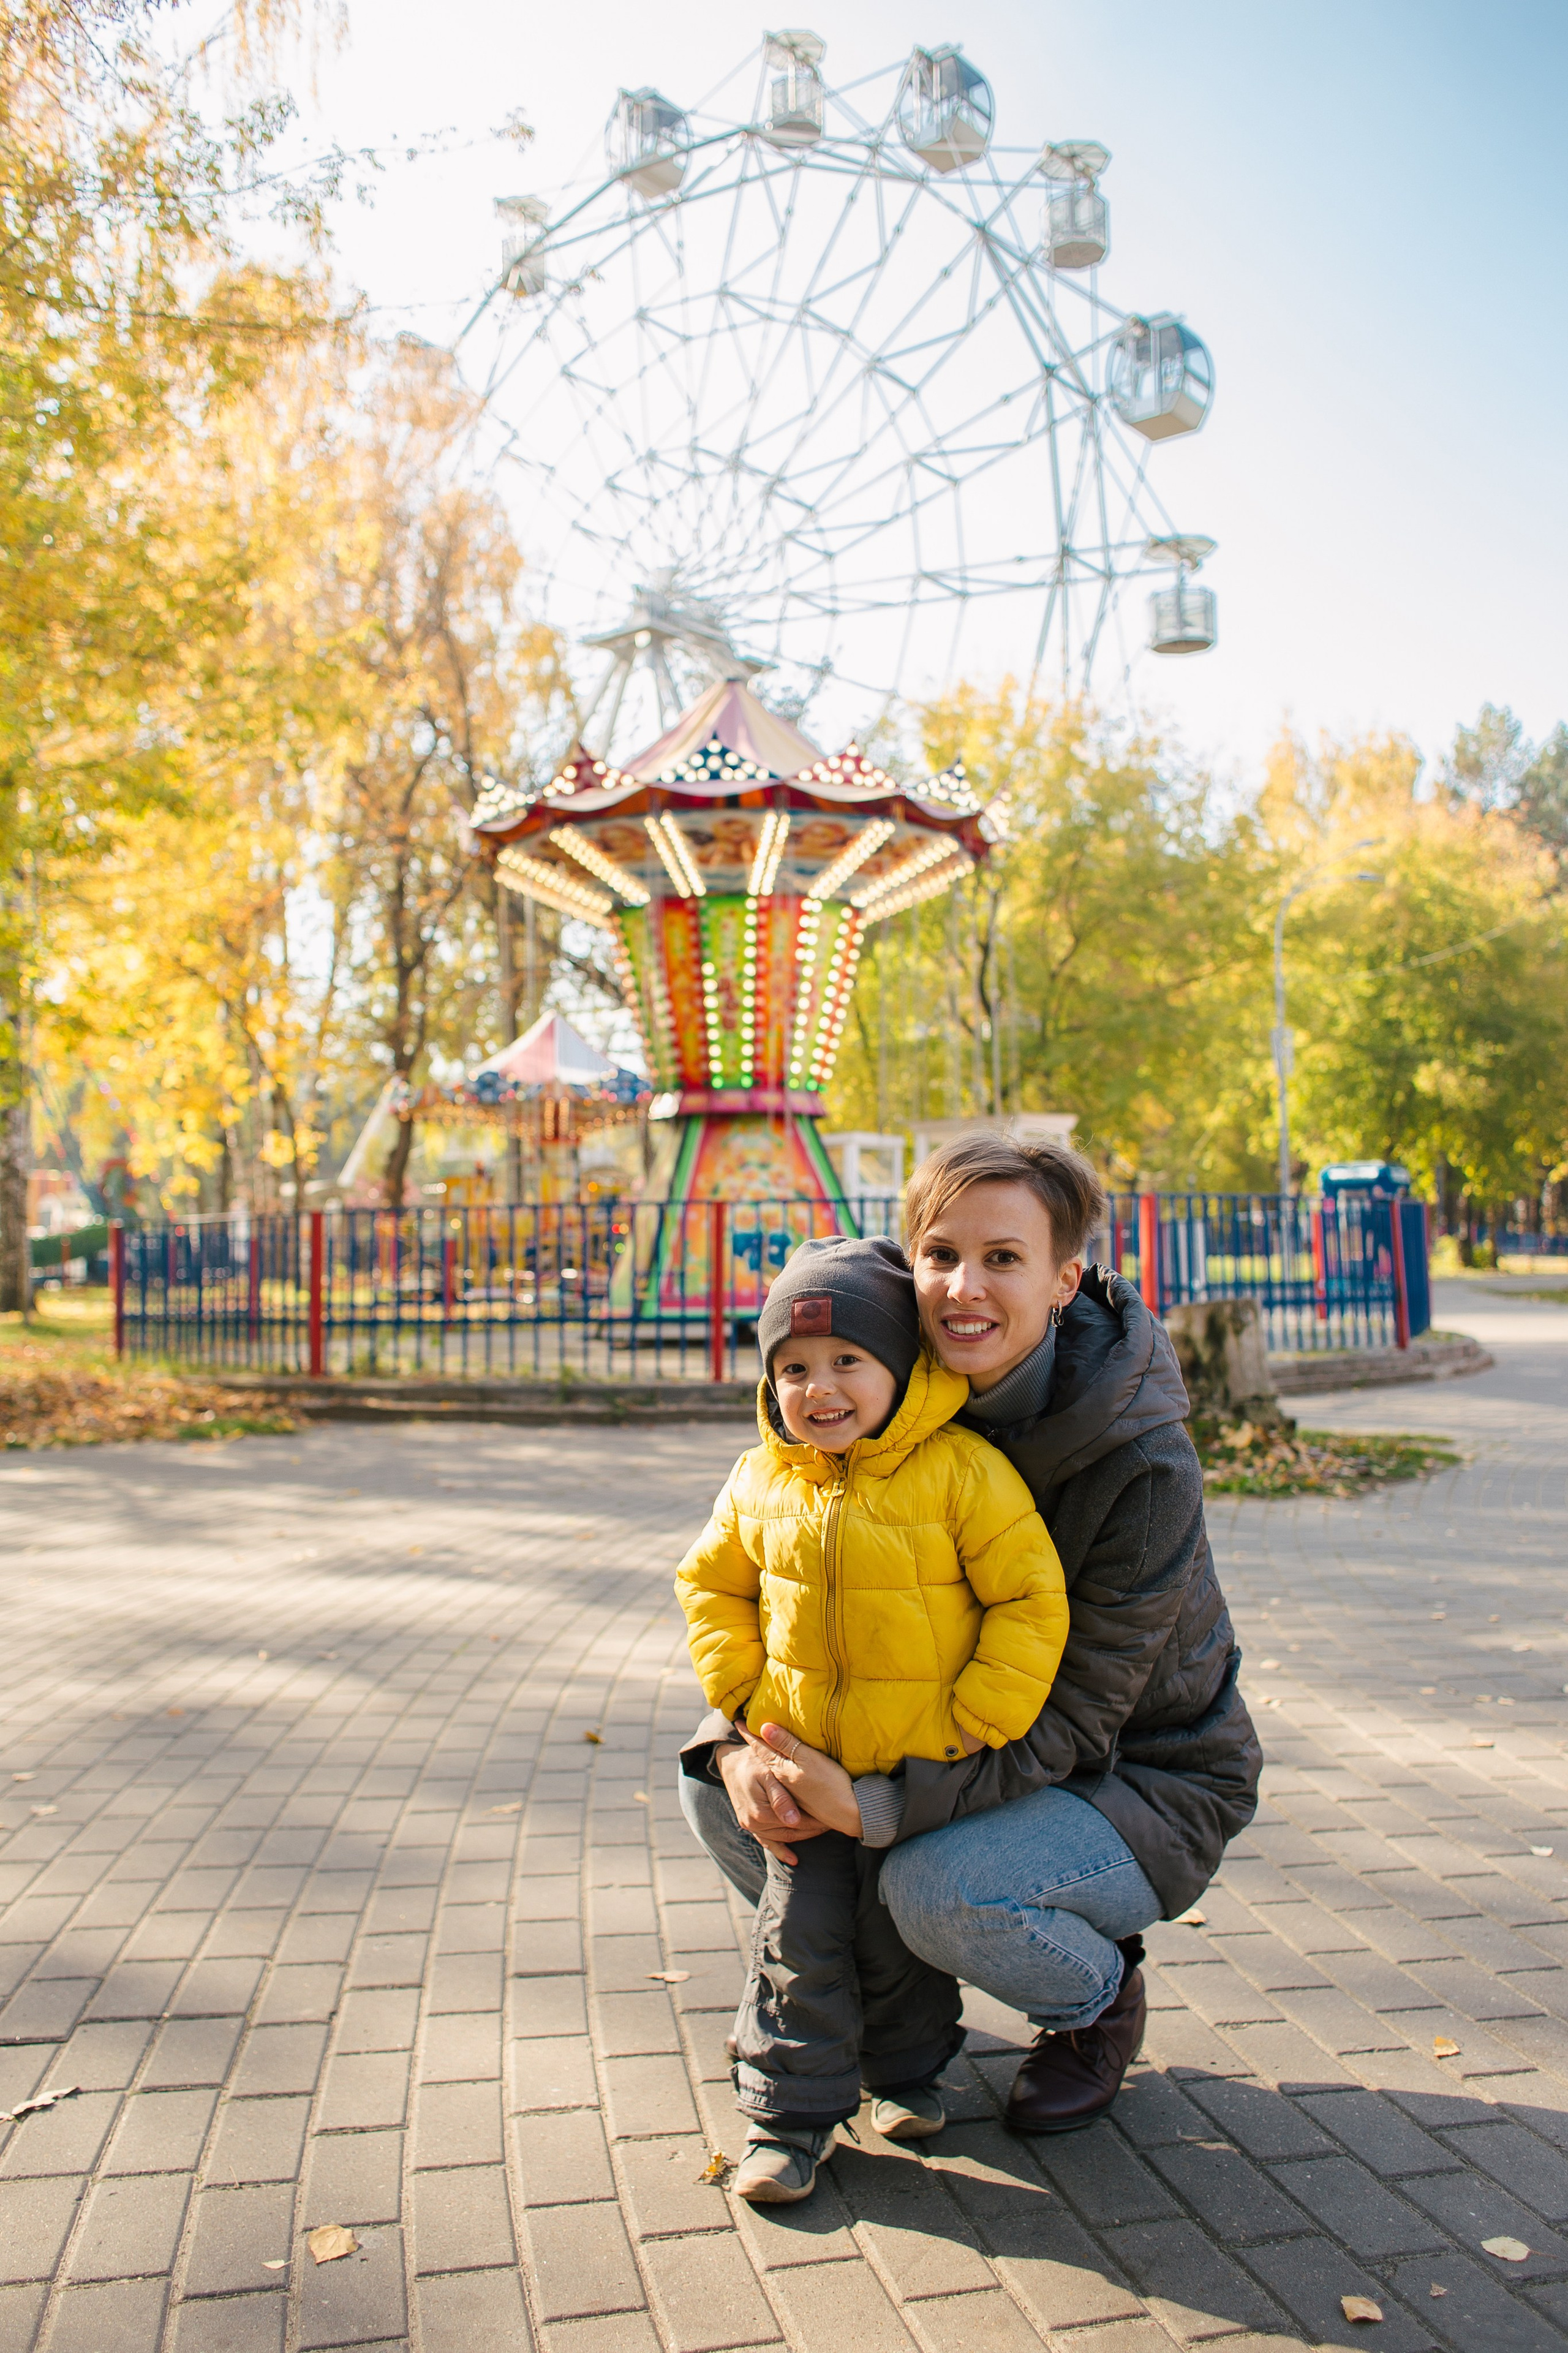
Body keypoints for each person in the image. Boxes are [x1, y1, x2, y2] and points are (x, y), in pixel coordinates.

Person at [680, 1135, 1261, 2137]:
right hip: (963, 1735)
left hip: (1136, 1770)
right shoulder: (879, 1400)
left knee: (936, 1886)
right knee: (726, 1797)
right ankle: (872, 2007)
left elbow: (1080, 1716)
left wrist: (878, 1803)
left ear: (1064, 1279)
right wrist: (743, 1744)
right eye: (941, 1254)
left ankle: (1094, 2000)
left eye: (1004, 1258)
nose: (964, 1286)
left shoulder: (1142, 1463)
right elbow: (793, 1603)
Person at [674, 1234, 1069, 2202]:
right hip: (798, 1772)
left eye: (849, 1360)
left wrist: (975, 1715)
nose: (822, 1387)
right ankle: (786, 2122)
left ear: (899, 1365)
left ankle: (906, 2072)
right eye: (795, 1367)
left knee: (899, 1940)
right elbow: (710, 1586)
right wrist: (746, 1703)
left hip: (911, 1772)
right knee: (798, 1943)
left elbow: (1030, 1598)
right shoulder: (762, 1478)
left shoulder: (961, 1471)